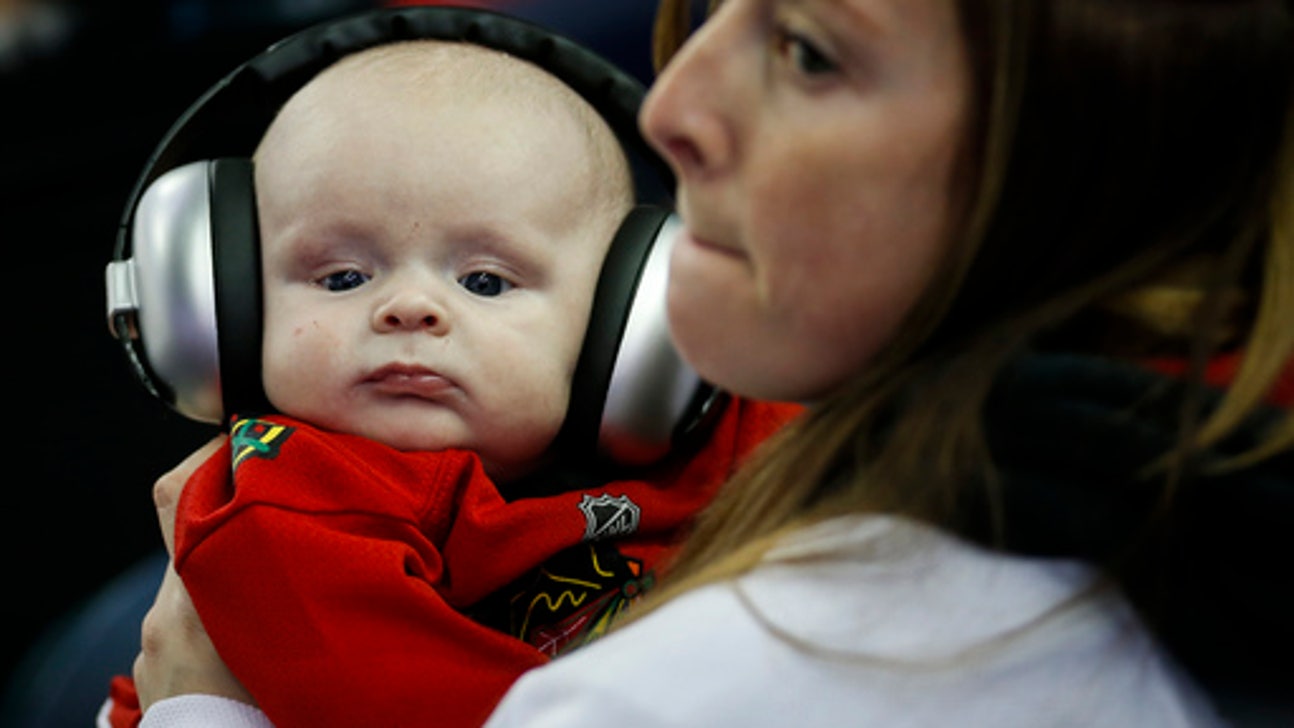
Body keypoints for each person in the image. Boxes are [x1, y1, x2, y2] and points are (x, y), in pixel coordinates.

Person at [132, 0, 1294, 725]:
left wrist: (199, 711)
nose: (672, 106)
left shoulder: (703, 685)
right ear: (221, 301)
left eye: (805, 49)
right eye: (341, 277)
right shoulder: (284, 502)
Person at [100, 33, 801, 728]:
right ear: (231, 312)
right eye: (342, 277)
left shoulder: (714, 422)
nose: (410, 307)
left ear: (627, 320)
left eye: (485, 281)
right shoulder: (282, 508)